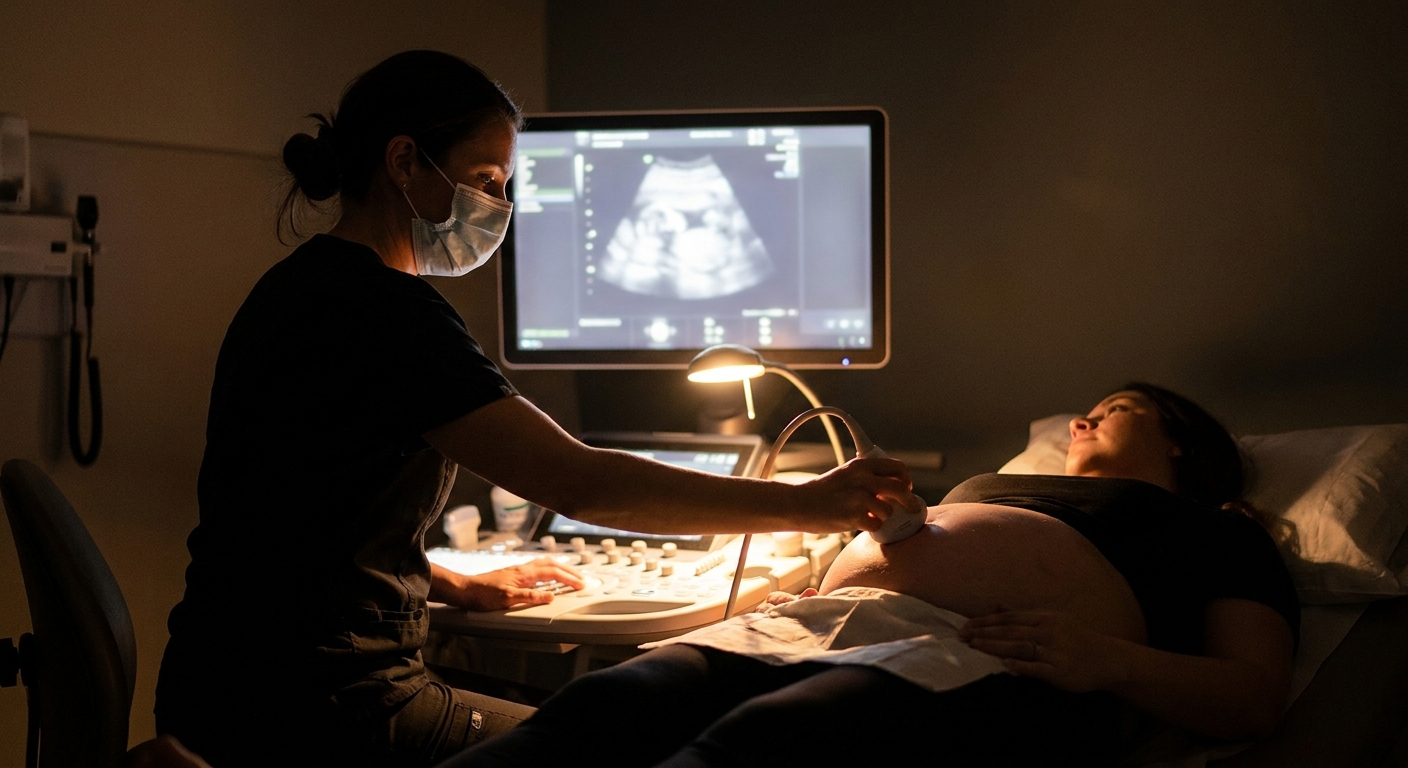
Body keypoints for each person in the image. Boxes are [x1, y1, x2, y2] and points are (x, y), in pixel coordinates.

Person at [153, 50, 922, 768]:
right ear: (403, 162)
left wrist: (451, 583)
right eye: (487, 179)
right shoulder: (390, 313)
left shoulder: (295, 287)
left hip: (220, 689)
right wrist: (810, 504)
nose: (501, 205)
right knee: (639, 746)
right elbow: (582, 485)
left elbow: (292, 517)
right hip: (327, 714)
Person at [445, 383, 1299, 768]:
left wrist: (1107, 660)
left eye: (1116, 410)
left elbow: (1251, 700)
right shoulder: (997, 483)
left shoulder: (1215, 532)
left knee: (767, 742)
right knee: (601, 707)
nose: (1082, 417)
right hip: (810, 625)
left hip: (984, 656)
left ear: (1180, 440)